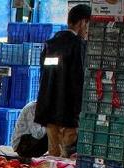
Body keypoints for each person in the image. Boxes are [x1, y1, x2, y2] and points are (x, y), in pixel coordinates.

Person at [35, 3, 90, 157]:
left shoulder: (50, 44)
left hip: (49, 110)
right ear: (82, 22)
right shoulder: (78, 45)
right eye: (87, 24)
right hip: (68, 114)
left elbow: (45, 76)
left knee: (53, 156)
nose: (87, 30)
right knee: (68, 158)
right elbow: (78, 79)